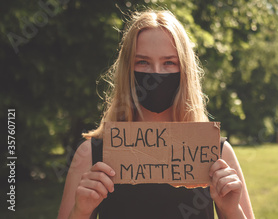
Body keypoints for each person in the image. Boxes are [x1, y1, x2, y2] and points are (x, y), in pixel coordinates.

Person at [57, 10, 254, 219]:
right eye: (143, 62)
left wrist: (231, 210)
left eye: (169, 62)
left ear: (185, 71)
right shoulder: (91, 155)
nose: (156, 74)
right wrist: (81, 211)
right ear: (127, 69)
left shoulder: (216, 154)